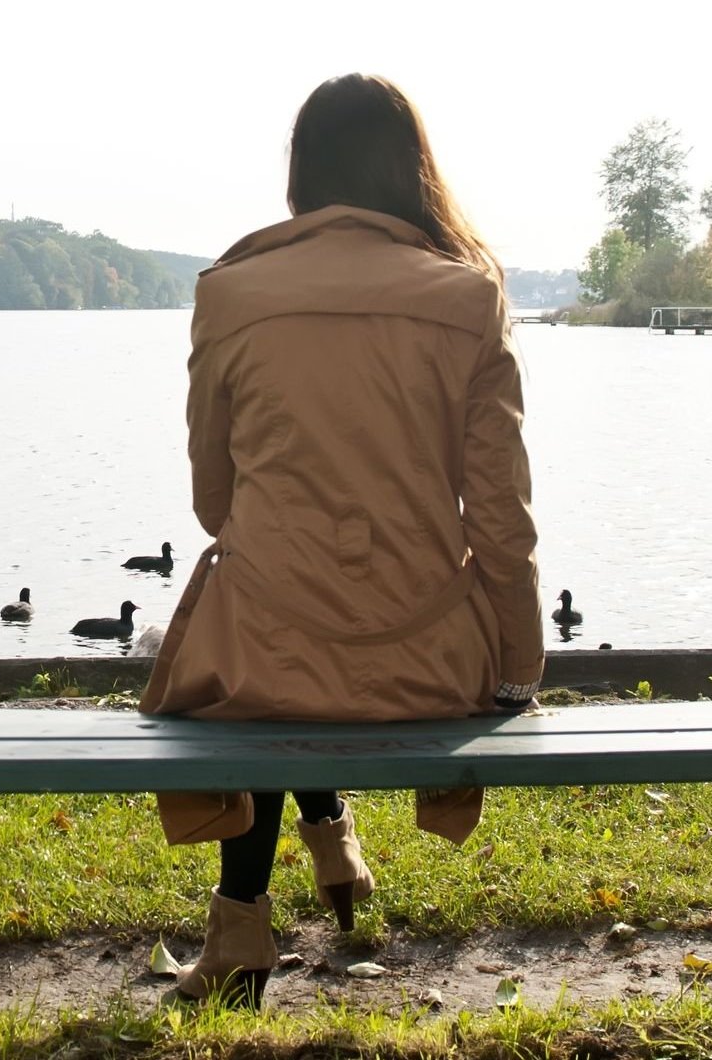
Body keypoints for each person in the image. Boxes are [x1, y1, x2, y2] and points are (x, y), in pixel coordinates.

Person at [140, 73, 543, 1006]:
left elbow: (214, 502)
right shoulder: (469, 298)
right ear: (413, 169)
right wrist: (516, 668)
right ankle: (331, 847)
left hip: (266, 655)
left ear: (301, 170)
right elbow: (501, 518)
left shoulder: (230, 294)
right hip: (428, 661)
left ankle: (243, 925)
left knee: (267, 645)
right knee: (298, 640)